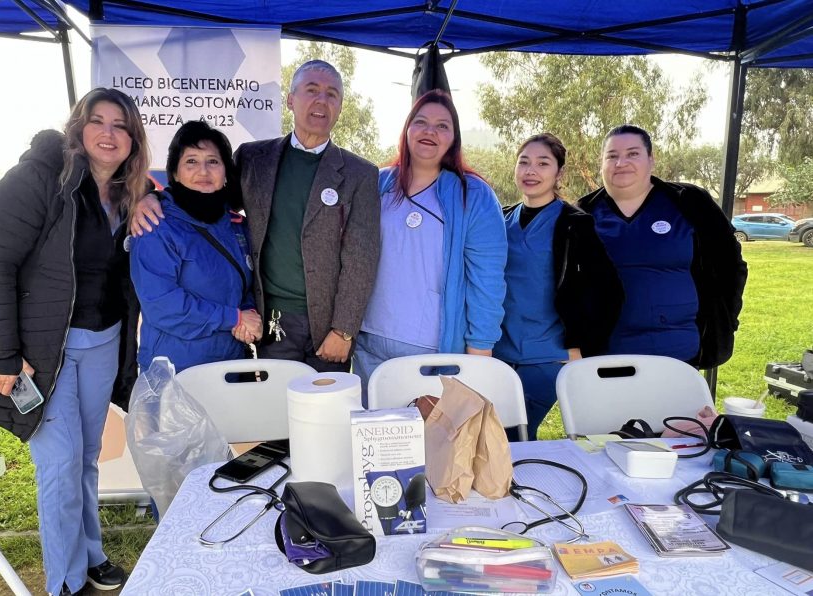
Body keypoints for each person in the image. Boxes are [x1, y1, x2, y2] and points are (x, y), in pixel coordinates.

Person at [0, 88, 148, 596]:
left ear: (132, 139)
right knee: (58, 465)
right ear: (77, 126)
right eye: (96, 120)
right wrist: (3, 356)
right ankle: (64, 581)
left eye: (119, 125)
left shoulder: (125, 195)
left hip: (103, 342)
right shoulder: (37, 179)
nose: (108, 132)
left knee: (85, 456)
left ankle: (92, 554)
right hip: (42, 353)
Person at [133, 60, 380, 373]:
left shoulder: (361, 174)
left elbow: (362, 257)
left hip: (328, 327)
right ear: (291, 99)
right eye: (312, 90)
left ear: (340, 106)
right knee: (273, 413)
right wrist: (152, 197)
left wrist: (344, 329)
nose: (321, 100)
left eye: (332, 94)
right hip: (271, 320)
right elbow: (208, 196)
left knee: (323, 415)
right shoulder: (253, 158)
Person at [353, 90, 507, 404]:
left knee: (435, 444)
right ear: (407, 130)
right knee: (379, 440)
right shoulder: (377, 183)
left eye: (442, 126)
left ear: (454, 138)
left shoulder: (473, 195)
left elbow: (487, 279)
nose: (429, 131)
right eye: (420, 122)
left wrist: (480, 349)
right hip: (369, 343)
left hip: (433, 349)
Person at [577, 124, 748, 369]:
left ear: (651, 160)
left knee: (675, 409)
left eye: (633, 154)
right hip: (606, 355)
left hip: (679, 355)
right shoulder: (583, 214)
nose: (621, 163)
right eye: (612, 156)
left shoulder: (689, 202)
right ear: (601, 163)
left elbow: (731, 266)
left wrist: (726, 320)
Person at [494, 133, 623, 440]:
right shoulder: (501, 218)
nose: (531, 171)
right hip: (498, 354)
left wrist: (581, 347)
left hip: (546, 355)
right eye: (523, 162)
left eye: (542, 163)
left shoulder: (574, 223)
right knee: (494, 435)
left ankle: (523, 486)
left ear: (559, 172)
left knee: (515, 434)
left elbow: (610, 292)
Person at [130, 121, 261, 372]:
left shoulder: (238, 227)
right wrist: (232, 318)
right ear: (175, 172)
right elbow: (162, 306)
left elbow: (246, 285)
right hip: (176, 372)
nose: (203, 171)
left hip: (230, 367)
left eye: (213, 161)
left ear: (225, 173)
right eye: (191, 161)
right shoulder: (154, 224)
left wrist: (248, 312)